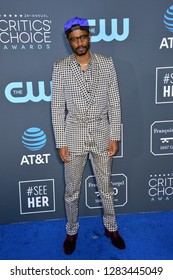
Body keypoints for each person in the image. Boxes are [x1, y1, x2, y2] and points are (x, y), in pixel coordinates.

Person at [51, 16, 125, 255]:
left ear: (89, 36)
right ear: (68, 42)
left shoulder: (107, 63)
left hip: (102, 131)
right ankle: (71, 231)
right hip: (73, 133)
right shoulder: (61, 67)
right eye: (74, 40)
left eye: (82, 37)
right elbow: (56, 107)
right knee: (72, 189)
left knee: (106, 185)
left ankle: (111, 227)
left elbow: (114, 103)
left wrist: (115, 135)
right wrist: (60, 142)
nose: (79, 42)